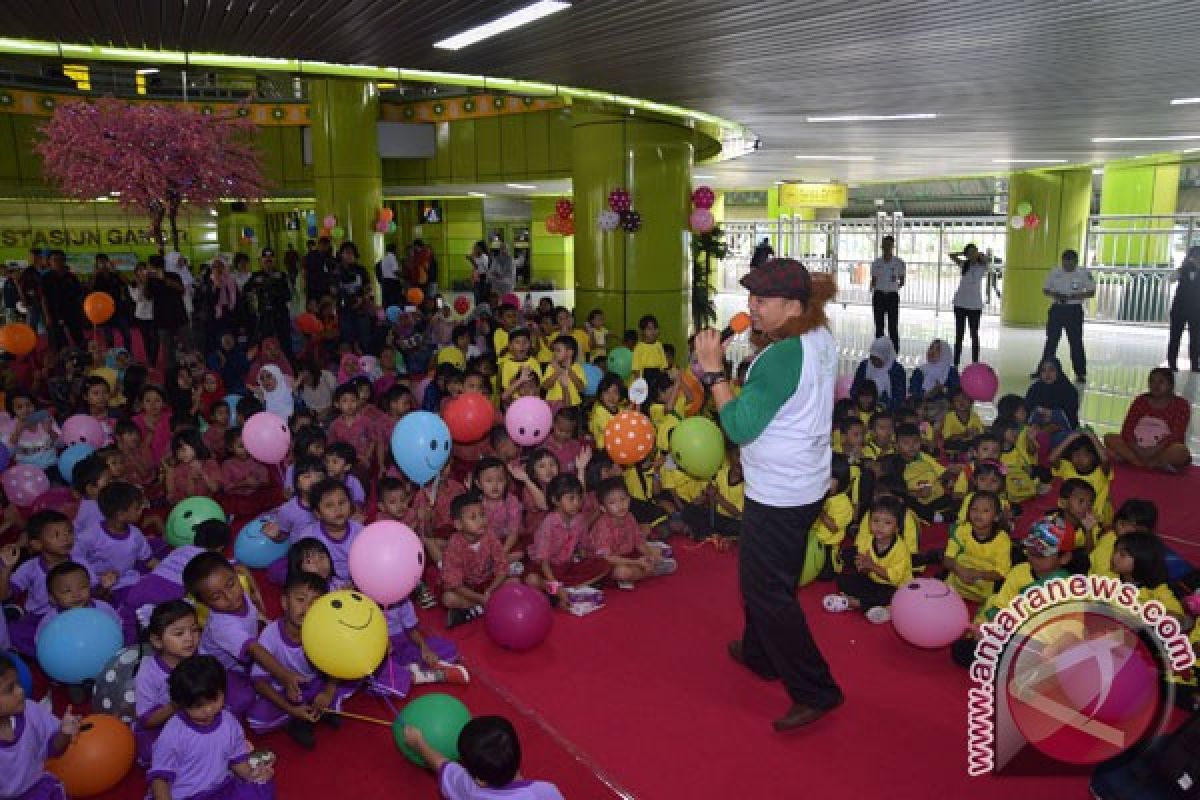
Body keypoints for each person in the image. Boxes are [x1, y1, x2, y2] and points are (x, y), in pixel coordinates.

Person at [694, 257, 843, 731]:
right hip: (808, 482)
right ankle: (759, 653)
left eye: (762, 300)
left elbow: (738, 426)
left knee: (768, 591)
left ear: (794, 306)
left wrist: (715, 373)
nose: (750, 308)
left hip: (779, 494)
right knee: (762, 579)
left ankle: (816, 689)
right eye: (751, 298)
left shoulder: (777, 360)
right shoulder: (819, 337)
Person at [402, 715, 565, 800]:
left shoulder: (469, 788)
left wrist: (419, 744)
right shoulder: (544, 792)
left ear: (479, 779)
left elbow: (441, 765)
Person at [1103, 367, 1192, 472]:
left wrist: (1154, 449)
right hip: (1137, 448)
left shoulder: (1181, 404)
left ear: (1171, 385)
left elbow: (1176, 434)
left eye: (1161, 382)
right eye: (1152, 381)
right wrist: (1138, 449)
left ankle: (1137, 462)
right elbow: (1127, 429)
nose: (1156, 385)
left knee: (1181, 452)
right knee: (1109, 438)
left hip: (1163, 449)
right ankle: (1153, 464)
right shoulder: (1141, 400)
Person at [1036, 248, 1094, 384]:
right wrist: (1056, 295)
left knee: (1076, 342)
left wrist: (1074, 296)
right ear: (1062, 261)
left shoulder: (1083, 273)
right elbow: (1045, 290)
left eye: (1070, 264)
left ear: (1076, 262)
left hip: (1074, 310)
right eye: (1065, 263)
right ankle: (1042, 371)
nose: (1067, 266)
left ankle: (1080, 373)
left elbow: (1091, 292)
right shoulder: (1055, 272)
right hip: (1057, 309)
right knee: (1051, 341)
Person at [948, 243, 990, 366]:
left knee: (974, 334)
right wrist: (964, 253)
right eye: (970, 252)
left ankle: (975, 363)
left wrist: (978, 256)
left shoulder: (982, 266)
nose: (972, 254)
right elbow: (951, 255)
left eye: (975, 252)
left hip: (975, 306)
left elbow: (986, 260)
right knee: (959, 334)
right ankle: (955, 363)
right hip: (960, 303)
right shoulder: (964, 264)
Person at [146, 254, 188, 369]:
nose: (147, 268)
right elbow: (147, 296)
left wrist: (164, 278)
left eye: (149, 265)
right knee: (168, 351)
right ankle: (172, 376)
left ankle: (192, 371)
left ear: (155, 266)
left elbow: (182, 289)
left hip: (179, 316)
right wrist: (146, 280)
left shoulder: (174, 275)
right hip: (162, 320)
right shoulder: (151, 280)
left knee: (187, 346)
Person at [40, 249, 86, 352]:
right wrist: (47, 315)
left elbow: (78, 295)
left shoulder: (71, 277)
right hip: (54, 312)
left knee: (79, 338)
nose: (57, 262)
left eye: (60, 259)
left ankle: (84, 358)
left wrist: (82, 312)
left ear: (64, 261)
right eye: (54, 260)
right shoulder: (45, 278)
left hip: (71, 311)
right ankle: (62, 363)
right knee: (58, 342)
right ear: (50, 262)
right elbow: (43, 298)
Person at [869, 234, 904, 354]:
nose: (887, 247)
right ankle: (878, 351)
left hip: (892, 297)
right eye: (885, 244)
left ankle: (894, 352)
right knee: (879, 325)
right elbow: (873, 280)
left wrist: (893, 288)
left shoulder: (899, 263)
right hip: (879, 296)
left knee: (892, 326)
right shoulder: (876, 263)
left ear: (893, 246)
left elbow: (902, 281)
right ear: (881, 246)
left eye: (889, 245)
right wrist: (873, 288)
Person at [334, 242, 371, 354]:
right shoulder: (337, 271)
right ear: (341, 254)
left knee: (364, 339)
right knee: (347, 338)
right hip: (344, 310)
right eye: (346, 253)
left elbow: (368, 288)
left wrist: (362, 299)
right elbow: (333, 290)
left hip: (361, 310)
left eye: (352, 253)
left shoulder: (361, 270)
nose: (349, 255)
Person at [1167, 245, 1200, 372]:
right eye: (1194, 256)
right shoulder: (1182, 270)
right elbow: (1171, 279)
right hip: (1179, 309)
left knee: (1196, 338)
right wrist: (1181, 269)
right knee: (1175, 336)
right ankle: (1172, 363)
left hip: (1196, 310)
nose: (1196, 259)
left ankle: (1195, 365)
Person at [90, 253, 133, 349]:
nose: (103, 265)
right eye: (100, 263)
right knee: (108, 337)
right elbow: (90, 289)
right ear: (96, 265)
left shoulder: (115, 274)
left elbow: (128, 283)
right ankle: (111, 357)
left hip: (118, 308)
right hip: (103, 310)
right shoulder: (95, 277)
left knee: (127, 334)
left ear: (108, 262)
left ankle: (128, 355)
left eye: (105, 262)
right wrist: (94, 275)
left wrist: (116, 271)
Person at [852, 336, 906, 411]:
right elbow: (855, 388)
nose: (873, 361)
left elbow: (899, 397)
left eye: (877, 359)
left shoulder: (896, 370)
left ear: (886, 356)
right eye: (872, 357)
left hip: (888, 410)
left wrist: (883, 406)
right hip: (862, 406)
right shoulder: (864, 365)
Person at [303, 237, 334, 305]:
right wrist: (305, 283)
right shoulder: (311, 256)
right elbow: (305, 270)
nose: (324, 247)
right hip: (313, 286)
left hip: (325, 287)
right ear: (319, 245)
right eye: (323, 245)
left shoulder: (329, 257)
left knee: (324, 307)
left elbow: (332, 272)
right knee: (313, 307)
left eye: (326, 246)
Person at [378, 243, 402, 308]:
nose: (398, 251)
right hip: (392, 282)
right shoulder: (392, 257)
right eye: (397, 249)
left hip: (385, 282)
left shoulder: (384, 258)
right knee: (394, 302)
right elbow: (395, 271)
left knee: (386, 301)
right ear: (394, 250)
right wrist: (403, 276)